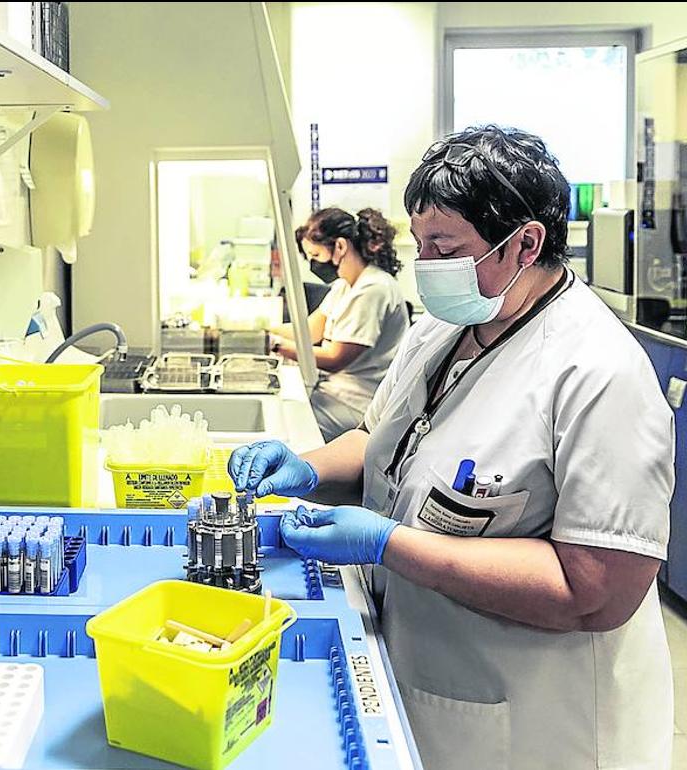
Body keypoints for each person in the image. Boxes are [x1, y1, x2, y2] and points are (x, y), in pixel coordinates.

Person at [230, 126, 674, 769]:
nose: (427, 264)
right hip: (430, 675)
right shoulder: (444, 326)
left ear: (526, 242)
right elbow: (377, 438)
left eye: (446, 246)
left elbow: (598, 590)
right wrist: (302, 468)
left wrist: (391, 544)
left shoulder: (599, 374)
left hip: (541, 722)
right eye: (421, 244)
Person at [269, 207, 409, 441]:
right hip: (337, 391)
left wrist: (275, 345)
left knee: (289, 429)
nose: (314, 265)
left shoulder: (373, 289)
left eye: (315, 256)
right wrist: (258, 328)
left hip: (359, 402)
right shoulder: (344, 285)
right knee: (283, 413)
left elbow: (336, 358)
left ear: (341, 247)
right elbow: (310, 331)